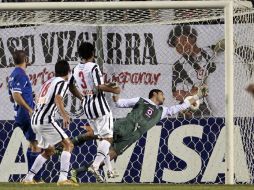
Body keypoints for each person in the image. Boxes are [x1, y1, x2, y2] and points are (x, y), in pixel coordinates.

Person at [67, 88, 207, 182]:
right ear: (155, 94)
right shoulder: (141, 100)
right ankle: (69, 143)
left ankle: (78, 171)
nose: (164, 97)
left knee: (111, 154)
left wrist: (198, 96)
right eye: (162, 94)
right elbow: (120, 103)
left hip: (134, 135)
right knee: (95, 134)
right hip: (126, 124)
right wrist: (116, 96)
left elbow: (181, 107)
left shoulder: (163, 111)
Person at [69, 42, 120, 182]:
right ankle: (96, 165)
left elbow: (70, 86)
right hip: (100, 106)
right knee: (108, 138)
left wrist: (82, 97)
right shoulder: (94, 66)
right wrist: (114, 90)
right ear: (92, 52)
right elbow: (98, 87)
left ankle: (109, 170)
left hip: (87, 106)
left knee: (102, 138)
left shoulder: (76, 69)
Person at [22, 60, 77, 186]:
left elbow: (38, 98)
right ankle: (63, 179)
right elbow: (58, 98)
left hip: (35, 120)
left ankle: (28, 178)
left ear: (56, 71)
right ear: (68, 71)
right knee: (68, 145)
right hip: (46, 120)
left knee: (49, 151)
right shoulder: (62, 83)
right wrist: (64, 115)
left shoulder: (48, 82)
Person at [8, 50, 42, 182]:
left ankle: (32, 177)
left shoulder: (12, 75)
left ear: (13, 61)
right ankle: (35, 178)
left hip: (20, 113)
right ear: (26, 59)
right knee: (36, 144)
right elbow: (16, 96)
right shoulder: (20, 74)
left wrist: (30, 96)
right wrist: (29, 108)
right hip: (26, 114)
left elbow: (12, 97)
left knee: (32, 144)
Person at [167, 25, 216, 118]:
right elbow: (176, 94)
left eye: (184, 41)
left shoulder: (212, 51)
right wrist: (194, 94)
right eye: (178, 46)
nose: (183, 47)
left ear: (193, 38)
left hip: (220, 100)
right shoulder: (178, 65)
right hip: (196, 107)